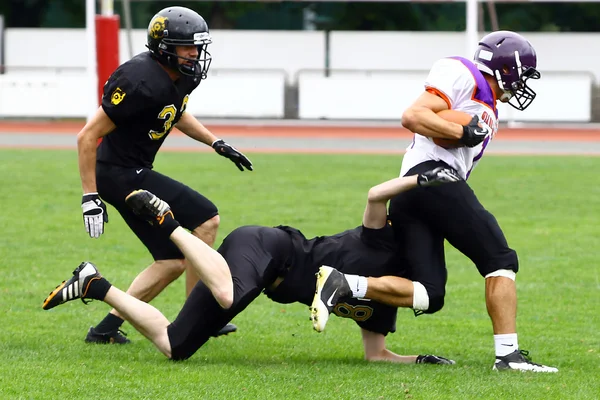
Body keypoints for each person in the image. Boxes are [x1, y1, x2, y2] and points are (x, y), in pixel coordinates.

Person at [310, 31, 559, 373]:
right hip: (432, 179)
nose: (522, 83)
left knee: (430, 295)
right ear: (508, 68)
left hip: (409, 193)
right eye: (523, 74)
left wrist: (465, 129)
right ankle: (508, 356)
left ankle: (343, 282)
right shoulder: (464, 73)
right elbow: (413, 116)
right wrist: (461, 132)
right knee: (500, 260)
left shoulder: (487, 106)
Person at [43, 166, 460, 363]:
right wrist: (420, 179)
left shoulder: (385, 293)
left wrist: (418, 361)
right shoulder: (381, 236)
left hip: (261, 278)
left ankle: (93, 284)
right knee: (225, 293)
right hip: (268, 246)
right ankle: (168, 222)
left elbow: (377, 356)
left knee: (175, 347)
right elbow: (375, 194)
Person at [76, 6, 251, 344]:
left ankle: (105, 330)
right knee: (207, 219)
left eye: (198, 47)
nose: (195, 54)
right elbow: (86, 137)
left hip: (133, 170)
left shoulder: (181, 75)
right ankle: (199, 315)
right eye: (187, 47)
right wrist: (90, 196)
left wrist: (215, 142)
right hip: (118, 173)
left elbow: (174, 113)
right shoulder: (138, 79)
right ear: (164, 47)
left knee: (172, 261)